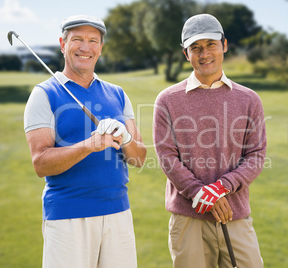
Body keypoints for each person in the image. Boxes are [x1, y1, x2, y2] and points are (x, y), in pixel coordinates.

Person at [24, 15, 146, 268]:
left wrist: (125, 137)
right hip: (68, 216)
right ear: (62, 44)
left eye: (93, 41)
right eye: (77, 39)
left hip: (118, 213)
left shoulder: (117, 94)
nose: (85, 47)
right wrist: (89, 145)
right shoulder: (44, 94)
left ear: (100, 48)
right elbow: (41, 164)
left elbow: (139, 158)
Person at [153, 14, 266, 268]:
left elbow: (256, 155)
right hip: (188, 219)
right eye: (195, 47)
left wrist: (221, 188)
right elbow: (167, 157)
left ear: (224, 45)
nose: (204, 54)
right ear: (186, 54)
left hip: (234, 214)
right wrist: (199, 192)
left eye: (210, 44)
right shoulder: (167, 100)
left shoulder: (249, 99)